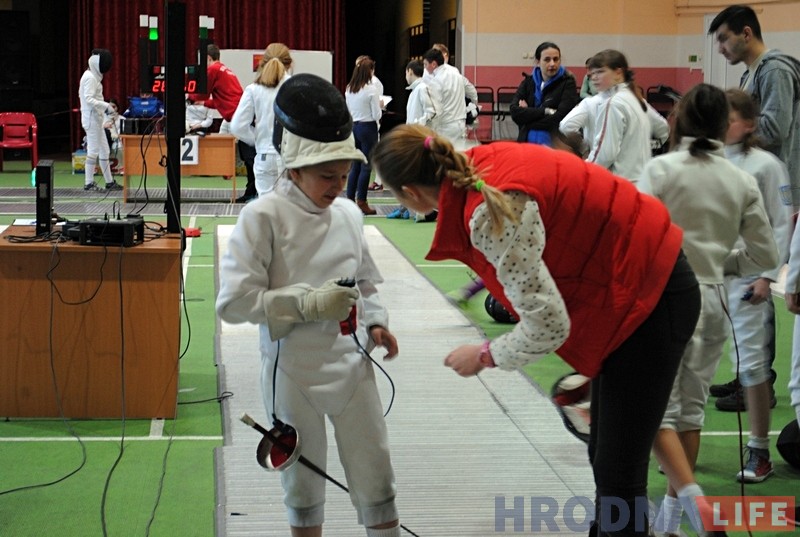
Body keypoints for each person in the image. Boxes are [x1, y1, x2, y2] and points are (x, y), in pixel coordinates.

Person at [371, 123, 702, 536]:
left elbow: (548, 326)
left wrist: (485, 355)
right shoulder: (482, 163)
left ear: (411, 193)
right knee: (609, 458)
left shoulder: (488, 213)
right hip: (638, 287)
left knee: (619, 471)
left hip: (649, 297)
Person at [216, 73, 402, 537]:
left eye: (344, 174)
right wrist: (310, 303)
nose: (338, 185)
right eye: (327, 175)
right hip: (292, 373)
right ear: (294, 167)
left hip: (352, 365)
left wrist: (376, 323)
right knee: (304, 485)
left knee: (376, 475)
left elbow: (366, 280)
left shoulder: (348, 213)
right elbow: (233, 304)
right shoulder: (262, 217)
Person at [638, 83, 779, 535]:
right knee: (691, 412)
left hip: (664, 297)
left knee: (658, 411)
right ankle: (670, 521)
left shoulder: (660, 170)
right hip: (713, 298)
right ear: (723, 126)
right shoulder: (740, 178)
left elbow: (636, 236)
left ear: (678, 120)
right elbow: (765, 254)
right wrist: (724, 261)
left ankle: (686, 509)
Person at [708, 3, 800, 396]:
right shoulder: (753, 74)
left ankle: (759, 379)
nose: (721, 50)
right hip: (754, 185)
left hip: (773, 185)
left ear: (747, 33)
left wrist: (729, 135)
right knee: (746, 284)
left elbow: (775, 128)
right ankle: (748, 373)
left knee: (759, 279)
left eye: (725, 39)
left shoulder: (775, 69)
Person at [712, 88, 791, 484]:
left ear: (749, 124)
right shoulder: (705, 160)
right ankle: (683, 440)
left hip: (747, 276)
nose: (723, 126)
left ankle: (759, 450)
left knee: (752, 366)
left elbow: (781, 222)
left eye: (730, 119)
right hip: (706, 274)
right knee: (695, 362)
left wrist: (766, 276)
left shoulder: (767, 165)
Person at [581, 49, 667, 182]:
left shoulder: (613, 103)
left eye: (600, 72)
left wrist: (584, 170)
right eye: (592, 73)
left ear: (618, 72)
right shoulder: (636, 98)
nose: (594, 77)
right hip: (643, 180)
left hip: (622, 183)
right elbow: (663, 129)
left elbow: (605, 154)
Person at [188, 43, 256, 203]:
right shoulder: (224, 69)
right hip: (241, 117)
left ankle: (255, 193)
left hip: (242, 119)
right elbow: (221, 99)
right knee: (248, 158)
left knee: (250, 158)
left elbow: (202, 94)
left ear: (208, 58)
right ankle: (251, 192)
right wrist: (202, 103)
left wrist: (189, 96)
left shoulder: (212, 70)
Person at [230, 42, 292, 200]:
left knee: (266, 212)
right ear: (289, 64)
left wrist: (257, 139)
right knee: (290, 212)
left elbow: (237, 126)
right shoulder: (295, 86)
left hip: (264, 156)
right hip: (289, 158)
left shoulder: (253, 89)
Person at [386, 59, 439, 220]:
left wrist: (417, 126)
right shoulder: (415, 90)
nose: (405, 76)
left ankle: (427, 211)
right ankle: (405, 209)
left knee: (414, 174)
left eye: (406, 73)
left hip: (419, 138)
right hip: (412, 138)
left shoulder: (422, 88)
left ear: (410, 71)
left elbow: (432, 111)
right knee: (406, 174)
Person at [509, 41, 579, 145]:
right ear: (538, 61)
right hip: (526, 142)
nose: (552, 64)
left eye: (556, 59)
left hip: (555, 144)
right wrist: (545, 111)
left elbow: (560, 117)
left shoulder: (568, 83)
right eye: (547, 59)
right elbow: (515, 112)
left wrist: (528, 116)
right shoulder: (528, 82)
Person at [78, 48, 123, 192]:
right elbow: (89, 99)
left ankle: (109, 182)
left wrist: (105, 112)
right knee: (93, 150)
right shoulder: (90, 77)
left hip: (96, 118)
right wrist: (107, 106)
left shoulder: (93, 76)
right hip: (91, 119)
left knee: (104, 149)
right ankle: (89, 183)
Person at [345, 57, 382, 216]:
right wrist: (380, 105)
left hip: (354, 127)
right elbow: (376, 114)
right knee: (366, 166)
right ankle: (362, 201)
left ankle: (349, 199)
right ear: (370, 71)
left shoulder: (349, 88)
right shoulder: (371, 89)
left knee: (355, 165)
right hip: (368, 128)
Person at [422, 47, 468, 149]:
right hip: (460, 122)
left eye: (425, 64)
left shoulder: (436, 81)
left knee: (444, 157)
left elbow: (435, 109)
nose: (424, 68)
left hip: (446, 125)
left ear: (433, 64)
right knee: (459, 155)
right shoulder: (456, 73)